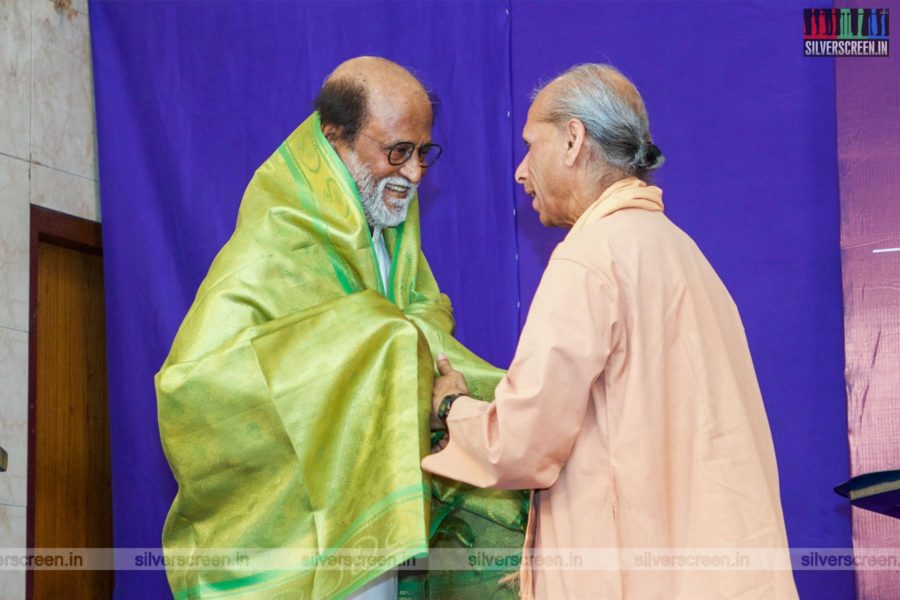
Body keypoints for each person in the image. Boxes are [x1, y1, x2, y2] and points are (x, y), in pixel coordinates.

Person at [422, 64, 799, 600]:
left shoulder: (589, 258)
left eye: (531, 145)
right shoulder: (683, 253)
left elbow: (521, 444)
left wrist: (451, 409)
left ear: (573, 140)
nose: (520, 171)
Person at [156, 57, 525, 600]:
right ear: (335, 137)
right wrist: (378, 353)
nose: (415, 173)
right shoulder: (273, 244)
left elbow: (429, 336)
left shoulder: (395, 243)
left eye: (425, 153)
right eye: (398, 151)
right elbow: (190, 388)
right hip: (298, 520)